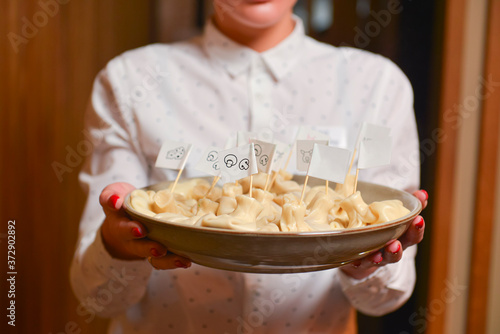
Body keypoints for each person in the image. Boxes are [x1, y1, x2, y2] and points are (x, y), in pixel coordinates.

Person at [70, 0, 427, 333]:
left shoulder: (378, 85)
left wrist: (362, 260)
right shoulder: (129, 81)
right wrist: (118, 247)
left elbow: (386, 298)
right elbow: (97, 296)